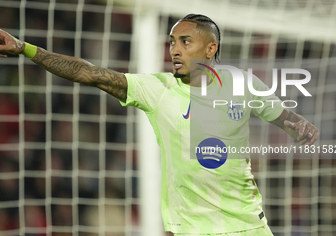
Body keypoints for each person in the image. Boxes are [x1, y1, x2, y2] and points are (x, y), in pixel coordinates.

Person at [0, 14, 319, 236]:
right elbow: (90, 73)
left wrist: (300, 128)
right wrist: (26, 49)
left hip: (250, 225)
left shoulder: (242, 84)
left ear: (211, 49)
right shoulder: (156, 88)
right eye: (172, 42)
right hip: (194, 230)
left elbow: (290, 121)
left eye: (185, 41)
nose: (175, 49)